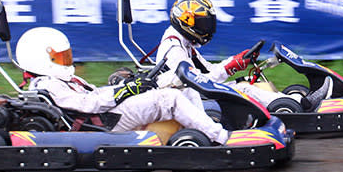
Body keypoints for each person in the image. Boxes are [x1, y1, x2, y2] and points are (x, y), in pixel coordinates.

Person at [15, 26, 229, 145]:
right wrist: (125, 91)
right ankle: (221, 139)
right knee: (170, 98)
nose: (66, 61)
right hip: (103, 121)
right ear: (38, 59)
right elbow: (88, 104)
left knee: (179, 87)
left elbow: (95, 93)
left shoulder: (61, 79)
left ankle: (203, 130)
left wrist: (129, 85)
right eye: (60, 58)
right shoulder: (48, 84)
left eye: (66, 56)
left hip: (106, 113)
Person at [154, 0, 332, 112]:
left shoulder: (182, 41)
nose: (206, 28)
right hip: (187, 102)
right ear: (187, 22)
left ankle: (293, 99)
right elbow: (198, 82)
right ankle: (300, 105)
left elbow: (206, 70)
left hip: (192, 94)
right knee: (243, 88)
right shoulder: (174, 48)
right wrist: (231, 67)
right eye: (202, 23)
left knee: (248, 83)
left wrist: (236, 62)